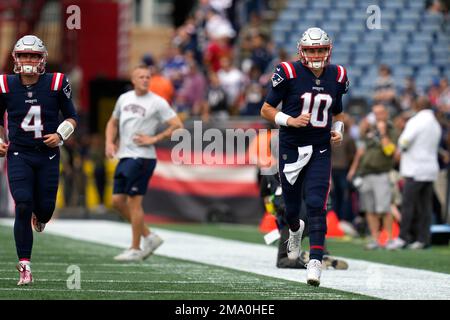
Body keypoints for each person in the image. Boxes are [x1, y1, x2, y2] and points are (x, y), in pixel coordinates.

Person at [260, 27, 349, 286]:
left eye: (321, 49)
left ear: (328, 50)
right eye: (312, 50)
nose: (317, 54)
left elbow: (339, 112)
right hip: (291, 147)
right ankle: (295, 232)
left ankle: (315, 262)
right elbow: (265, 109)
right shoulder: (288, 72)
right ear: (302, 51)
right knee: (290, 210)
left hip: (320, 148)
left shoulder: (338, 75)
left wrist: (338, 130)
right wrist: (291, 120)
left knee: (316, 204)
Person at [0, 35, 78, 285]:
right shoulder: (5, 84)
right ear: (16, 58)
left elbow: (72, 117)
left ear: (42, 58)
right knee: (22, 204)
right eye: (24, 55)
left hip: (48, 154)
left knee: (45, 209)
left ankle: (41, 216)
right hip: (19, 153)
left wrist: (60, 135)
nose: (29, 60)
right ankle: (25, 265)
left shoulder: (56, 82)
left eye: (34, 55)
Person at [105, 65, 183, 262]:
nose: (145, 80)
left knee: (134, 202)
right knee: (117, 202)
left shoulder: (157, 102)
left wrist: (154, 139)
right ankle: (149, 236)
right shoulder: (124, 98)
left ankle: (135, 247)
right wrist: (109, 142)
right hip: (125, 155)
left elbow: (177, 125)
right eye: (141, 77)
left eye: (148, 77)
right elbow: (112, 122)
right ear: (133, 80)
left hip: (143, 157)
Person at [260, 173, 348, 271]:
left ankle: (305, 261)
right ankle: (322, 256)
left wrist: (277, 216)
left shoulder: (269, 176)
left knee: (282, 260)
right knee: (318, 247)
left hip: (292, 220)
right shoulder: (305, 169)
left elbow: (268, 202)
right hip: (313, 217)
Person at [387, 96, 442, 249]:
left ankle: (404, 237)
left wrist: (401, 149)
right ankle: (423, 239)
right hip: (430, 169)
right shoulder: (435, 123)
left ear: (416, 106)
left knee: (408, 204)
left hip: (415, 169)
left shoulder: (416, 121)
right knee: (425, 206)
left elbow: (404, 141)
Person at [347, 104, 398, 250]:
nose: (378, 116)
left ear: (386, 113)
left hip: (381, 173)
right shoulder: (370, 129)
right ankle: (375, 238)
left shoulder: (391, 129)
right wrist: (353, 169)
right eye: (375, 113)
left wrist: (383, 134)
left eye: (380, 113)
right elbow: (361, 150)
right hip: (365, 173)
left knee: (384, 208)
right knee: (369, 209)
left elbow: (390, 151)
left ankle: (388, 239)